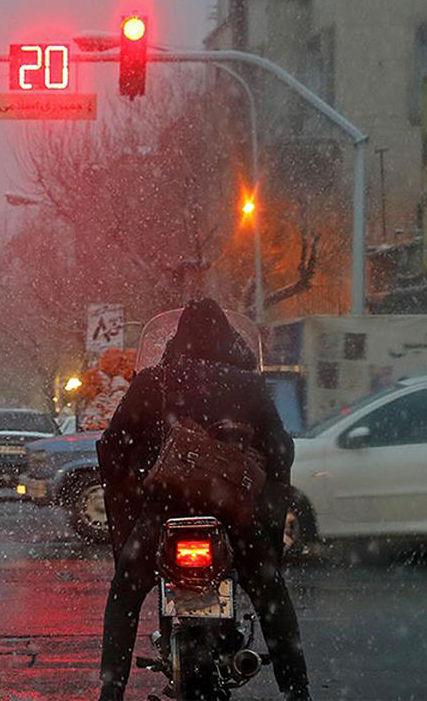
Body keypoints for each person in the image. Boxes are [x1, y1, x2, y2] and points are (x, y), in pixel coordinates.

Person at [96, 299, 310, 701]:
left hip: (164, 514)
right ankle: (297, 692)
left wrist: (139, 482)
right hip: (234, 517)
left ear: (180, 339)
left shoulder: (153, 382)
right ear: (227, 340)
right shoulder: (248, 386)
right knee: (270, 594)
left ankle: (111, 691)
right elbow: (281, 449)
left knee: (125, 591)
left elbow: (113, 446)